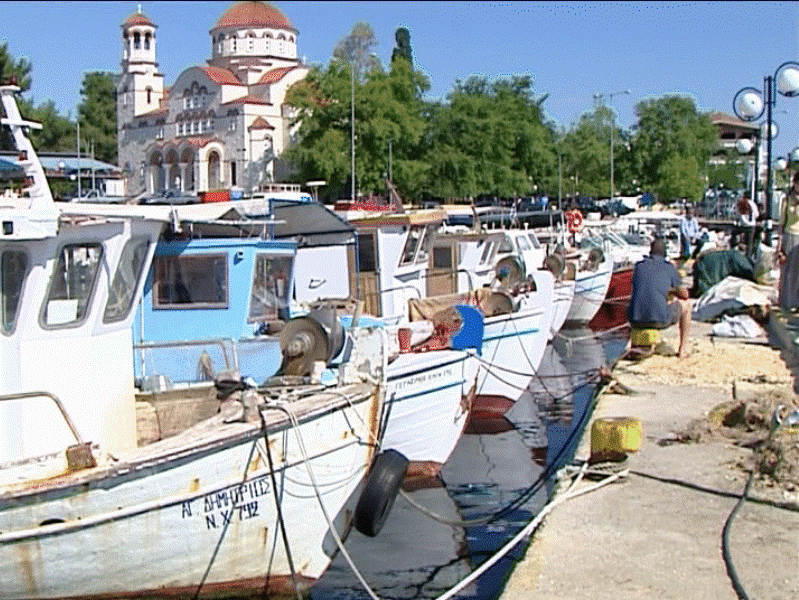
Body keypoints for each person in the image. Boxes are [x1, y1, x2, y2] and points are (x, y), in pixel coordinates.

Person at [627, 238, 692, 358]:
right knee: (686, 305)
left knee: (636, 300)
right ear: (665, 253)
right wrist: (672, 290)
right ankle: (683, 349)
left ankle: (631, 345)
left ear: (650, 252)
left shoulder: (639, 266)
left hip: (634, 320)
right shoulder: (669, 267)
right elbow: (685, 295)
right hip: (659, 319)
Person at [778, 172, 799, 310]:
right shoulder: (787, 198)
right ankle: (786, 301)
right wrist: (779, 243)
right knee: (788, 270)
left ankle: (796, 300)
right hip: (790, 235)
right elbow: (782, 221)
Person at [733, 193, 759, 259]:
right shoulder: (752, 204)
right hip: (751, 226)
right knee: (750, 243)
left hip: (742, 226)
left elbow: (737, 215)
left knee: (733, 233)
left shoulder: (739, 203)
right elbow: (757, 215)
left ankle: (734, 249)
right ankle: (748, 257)